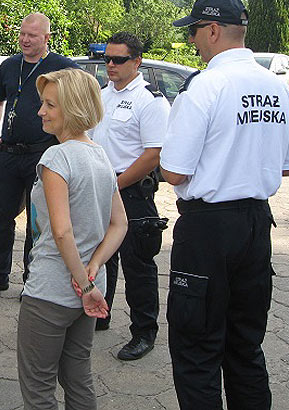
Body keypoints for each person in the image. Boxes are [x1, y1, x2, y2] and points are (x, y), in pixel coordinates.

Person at [160, 0, 289, 409]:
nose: (193, 42)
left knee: (197, 351)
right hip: (255, 226)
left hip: (208, 231)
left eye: (195, 32)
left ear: (213, 29)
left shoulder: (205, 86)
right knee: (245, 349)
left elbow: (174, 171)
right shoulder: (276, 87)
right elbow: (284, 164)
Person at [17, 68, 127, 409]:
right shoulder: (99, 154)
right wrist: (93, 270)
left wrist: (84, 282)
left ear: (73, 108)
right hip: (89, 287)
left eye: (50, 104)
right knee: (78, 377)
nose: (41, 111)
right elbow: (119, 224)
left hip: (53, 290)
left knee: (38, 389)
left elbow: (61, 230)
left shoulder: (56, 157)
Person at [0, 12, 79, 295]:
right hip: (8, 153)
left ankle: (33, 280)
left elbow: (81, 102)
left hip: (42, 154)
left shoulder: (63, 67)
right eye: (22, 34)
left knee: (37, 221)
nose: (25, 40)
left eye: (32, 35)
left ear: (47, 38)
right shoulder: (9, 65)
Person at [90, 32, 170, 360]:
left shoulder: (149, 100)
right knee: (101, 257)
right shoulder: (101, 95)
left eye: (118, 59)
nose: (110, 65)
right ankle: (101, 314)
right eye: (106, 58)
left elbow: (154, 154)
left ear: (136, 61)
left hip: (132, 192)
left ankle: (144, 332)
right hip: (100, 188)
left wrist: (118, 184)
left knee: (138, 265)